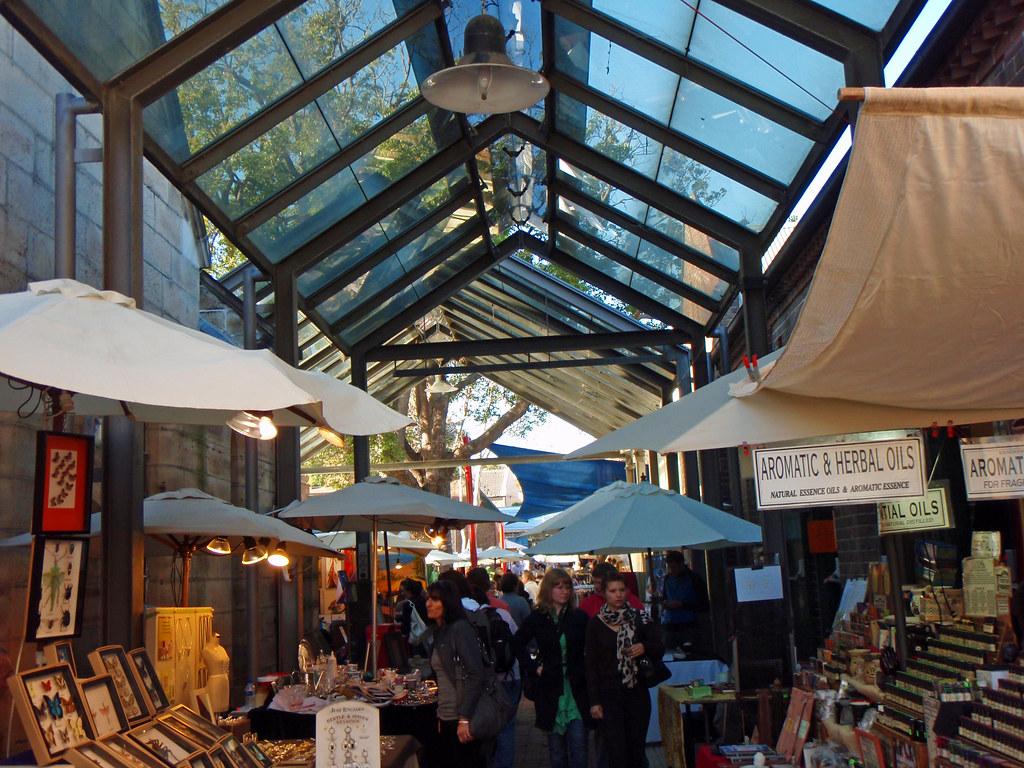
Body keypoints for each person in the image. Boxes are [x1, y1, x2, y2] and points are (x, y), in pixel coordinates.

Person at [585, 572, 664, 768]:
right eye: (613, 591)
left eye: (622, 590)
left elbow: (659, 645)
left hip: (636, 691)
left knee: (636, 750)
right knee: (616, 751)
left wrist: (644, 647)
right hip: (609, 694)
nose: (618, 595)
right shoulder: (596, 623)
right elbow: (591, 664)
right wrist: (594, 701)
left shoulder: (639, 617)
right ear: (604, 593)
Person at [515, 568, 590, 768]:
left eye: (567, 587)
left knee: (579, 750)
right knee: (557, 753)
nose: (564, 592)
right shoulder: (538, 618)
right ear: (548, 589)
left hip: (576, 688)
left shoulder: (579, 617)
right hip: (551, 688)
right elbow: (516, 644)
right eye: (558, 587)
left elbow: (591, 648)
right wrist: (534, 668)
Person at [426, 580, 488, 768]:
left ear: (447, 603)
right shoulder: (440, 632)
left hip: (460, 717)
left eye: (435, 599)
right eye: (428, 598)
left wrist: (464, 717)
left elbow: (476, 673)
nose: (428, 603)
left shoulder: (459, 629)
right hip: (446, 715)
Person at [466, 568, 520, 768]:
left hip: (486, 680)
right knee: (507, 727)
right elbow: (517, 641)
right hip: (511, 675)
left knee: (485, 726)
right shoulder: (502, 610)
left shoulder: (467, 620)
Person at [661, 551, 708, 650]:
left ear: (681, 564)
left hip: (689, 626)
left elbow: (704, 605)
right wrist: (665, 603)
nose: (672, 570)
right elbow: (664, 597)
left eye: (674, 567)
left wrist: (682, 604)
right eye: (669, 567)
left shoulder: (694, 579)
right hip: (670, 626)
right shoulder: (667, 579)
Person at [579, 562, 644, 618]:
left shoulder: (632, 601)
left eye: (599, 582)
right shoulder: (588, 603)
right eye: (594, 582)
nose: (596, 586)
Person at [398, 578, 429, 655]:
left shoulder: (408, 605)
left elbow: (406, 626)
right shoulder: (425, 601)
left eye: (402, 590)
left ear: (408, 590)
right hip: (428, 637)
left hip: (417, 640)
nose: (402, 593)